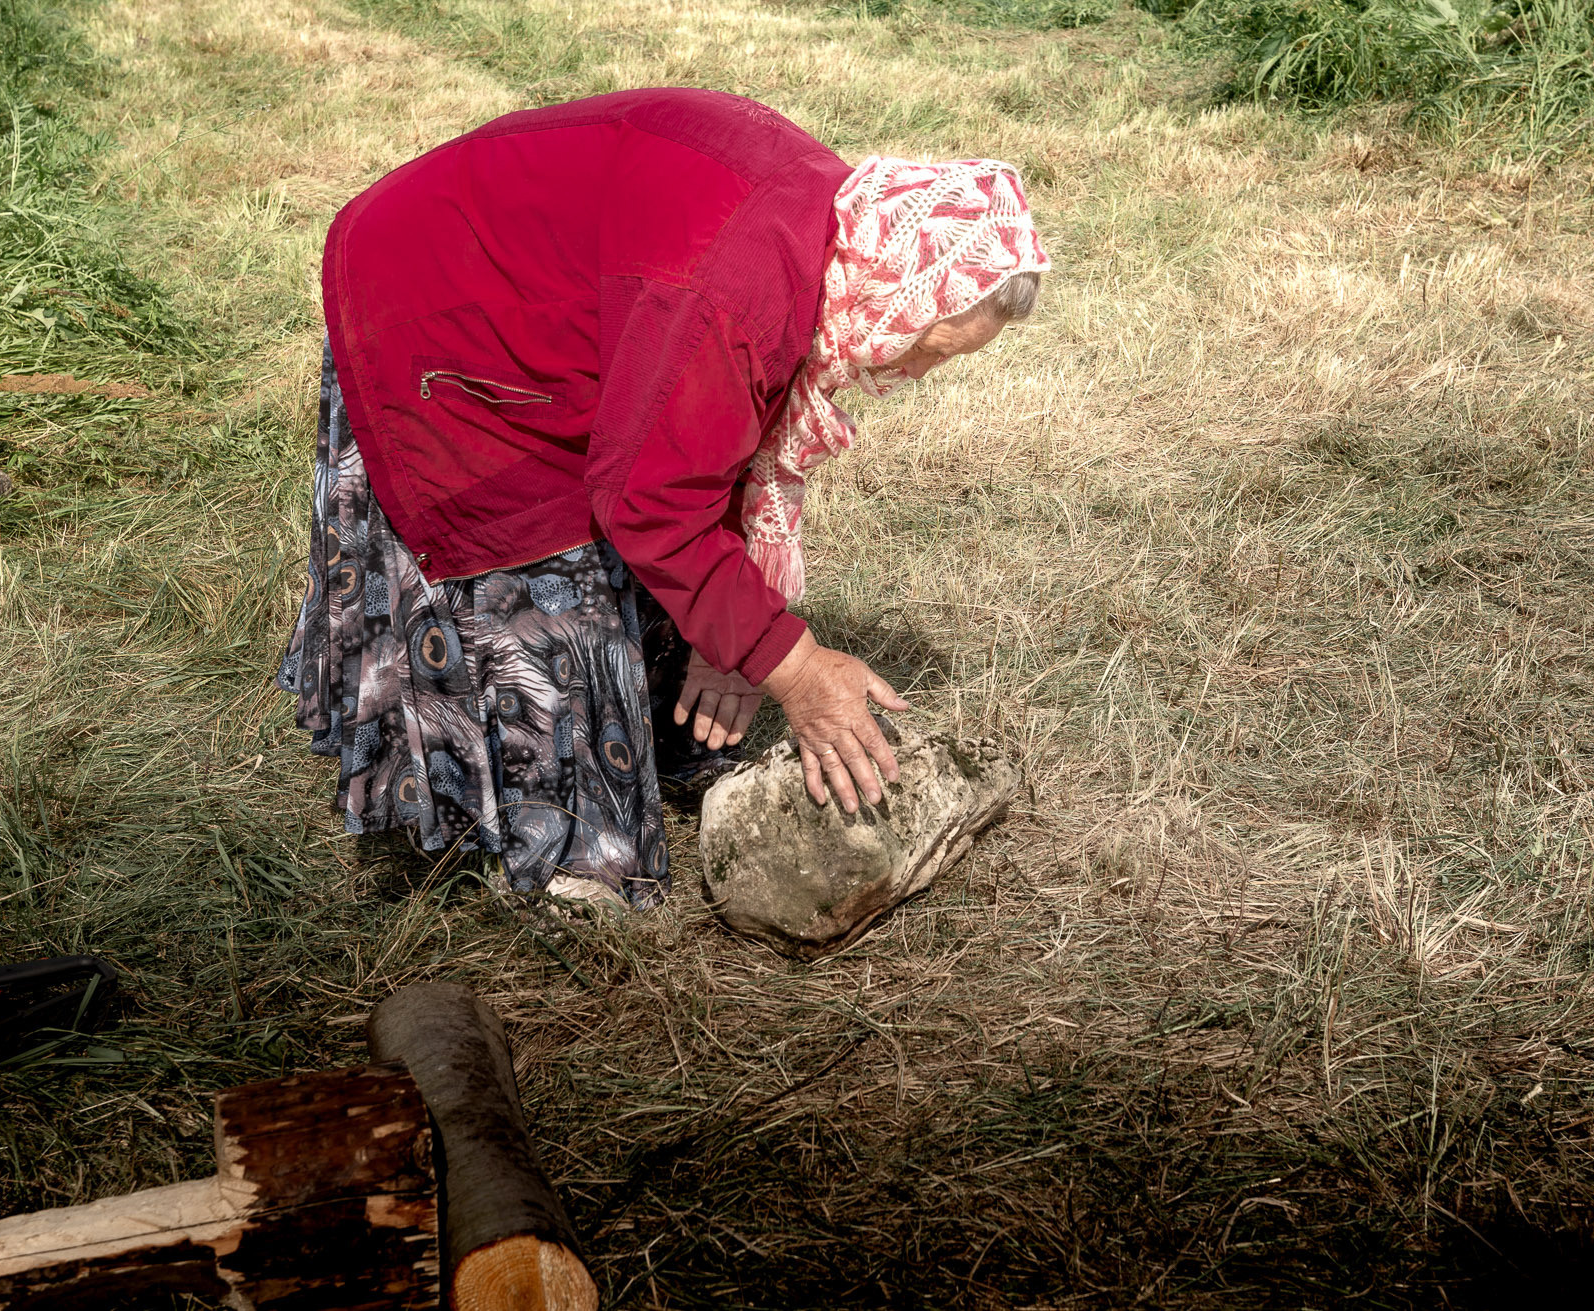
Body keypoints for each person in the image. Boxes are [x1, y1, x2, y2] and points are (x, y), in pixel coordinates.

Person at [276, 88, 1050, 909]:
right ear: (894, 286)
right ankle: (533, 852)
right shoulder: (733, 287)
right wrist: (793, 666)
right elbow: (649, 500)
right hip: (438, 304)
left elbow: (707, 439)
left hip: (544, 287)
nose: (917, 374)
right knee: (546, 575)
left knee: (658, 565)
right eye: (926, 347)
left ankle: (649, 733)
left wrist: (742, 634)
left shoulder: (835, 233)